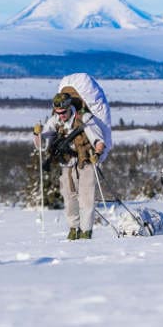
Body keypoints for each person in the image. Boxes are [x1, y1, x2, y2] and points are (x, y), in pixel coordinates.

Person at [34, 92, 106, 240]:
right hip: (67, 164)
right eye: (58, 113)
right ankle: (74, 229)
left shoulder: (84, 119)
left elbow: (99, 141)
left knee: (86, 198)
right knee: (69, 198)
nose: (61, 116)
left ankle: (86, 232)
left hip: (85, 162)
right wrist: (37, 134)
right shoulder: (56, 121)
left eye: (63, 112)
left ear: (69, 107)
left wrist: (97, 154)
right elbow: (42, 143)